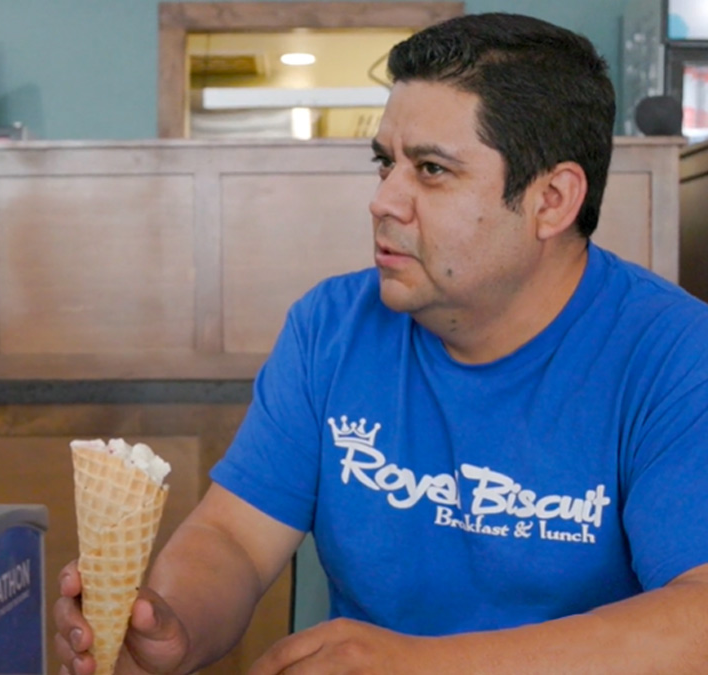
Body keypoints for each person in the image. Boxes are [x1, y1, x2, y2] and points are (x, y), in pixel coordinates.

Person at [54, 12, 708, 674]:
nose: (384, 200)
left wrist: (423, 664)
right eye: (385, 163)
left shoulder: (675, 355)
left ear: (553, 199)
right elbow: (234, 538)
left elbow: (699, 618)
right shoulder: (332, 326)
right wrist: (174, 624)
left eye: (430, 170)